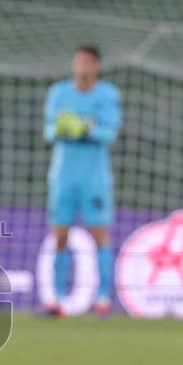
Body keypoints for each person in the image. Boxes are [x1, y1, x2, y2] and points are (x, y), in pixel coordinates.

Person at [42, 46, 122, 317]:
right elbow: (49, 132)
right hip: (63, 176)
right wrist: (62, 128)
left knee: (100, 235)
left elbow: (110, 134)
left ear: (96, 66)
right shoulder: (59, 93)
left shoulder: (107, 94)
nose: (83, 67)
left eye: (88, 62)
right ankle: (58, 301)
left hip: (95, 178)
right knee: (60, 236)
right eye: (79, 61)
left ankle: (102, 300)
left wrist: (85, 128)